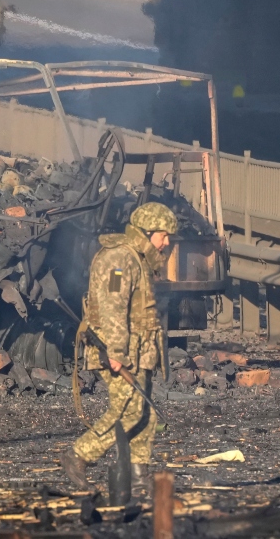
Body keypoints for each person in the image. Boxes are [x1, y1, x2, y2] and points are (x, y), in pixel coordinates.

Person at [61, 202, 178, 493]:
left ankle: (138, 472)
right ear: (146, 232)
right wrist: (116, 353)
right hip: (117, 351)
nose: (167, 242)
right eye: (163, 235)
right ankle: (79, 455)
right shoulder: (119, 260)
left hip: (138, 351)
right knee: (127, 410)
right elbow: (113, 307)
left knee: (144, 413)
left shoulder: (137, 259)